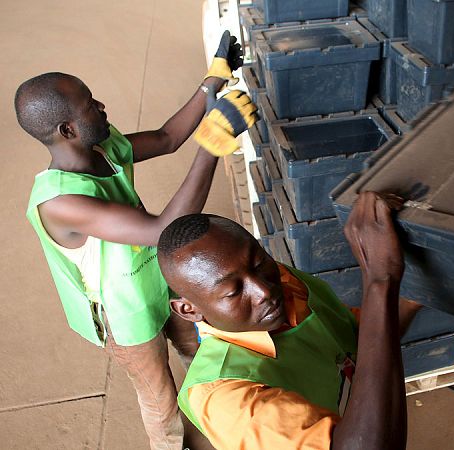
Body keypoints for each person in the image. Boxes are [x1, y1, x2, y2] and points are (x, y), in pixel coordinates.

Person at [17, 32, 255, 449]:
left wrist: (211, 82)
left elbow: (166, 138)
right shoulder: (61, 202)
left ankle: (226, 419)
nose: (102, 106)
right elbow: (164, 229)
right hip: (124, 317)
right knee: (160, 398)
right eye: (91, 104)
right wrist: (213, 144)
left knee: (205, 353)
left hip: (160, 280)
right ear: (67, 128)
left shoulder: (102, 148)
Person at [156, 193, 420, 450]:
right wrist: (380, 279)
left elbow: (363, 339)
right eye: (233, 292)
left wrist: (417, 292)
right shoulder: (224, 399)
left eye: (259, 262)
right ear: (188, 310)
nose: (264, 292)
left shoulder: (286, 284)